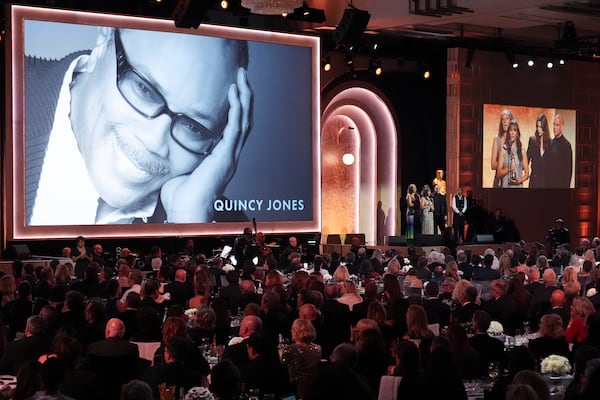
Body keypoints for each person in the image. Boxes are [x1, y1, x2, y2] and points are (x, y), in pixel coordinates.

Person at [27, 27, 252, 225]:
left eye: (193, 127)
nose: (155, 141)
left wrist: (185, 226)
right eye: (144, 89)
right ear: (104, 40)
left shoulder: (215, 221)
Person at [497, 119, 530, 187]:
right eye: (510, 130)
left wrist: (518, 181)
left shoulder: (522, 150)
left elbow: (527, 174)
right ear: (508, 132)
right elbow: (498, 173)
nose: (512, 133)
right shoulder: (504, 149)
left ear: (517, 133)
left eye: (514, 130)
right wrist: (509, 169)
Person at [546, 114, 573, 188]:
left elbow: (568, 172)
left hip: (561, 188)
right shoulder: (550, 143)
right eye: (554, 124)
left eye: (557, 125)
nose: (554, 127)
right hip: (549, 187)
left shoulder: (567, 145)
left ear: (562, 127)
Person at [527, 113, 551, 188]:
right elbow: (526, 160)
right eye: (537, 126)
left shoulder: (550, 142)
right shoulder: (532, 140)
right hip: (534, 180)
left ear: (545, 127)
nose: (538, 129)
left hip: (546, 182)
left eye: (541, 127)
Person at [491, 109, 514, 187]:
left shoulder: (516, 140)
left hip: (512, 181)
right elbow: (493, 165)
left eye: (507, 119)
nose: (505, 121)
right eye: (503, 119)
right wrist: (509, 166)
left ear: (511, 121)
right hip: (499, 181)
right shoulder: (496, 139)